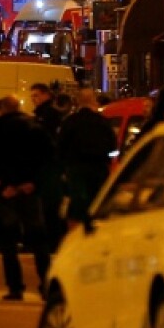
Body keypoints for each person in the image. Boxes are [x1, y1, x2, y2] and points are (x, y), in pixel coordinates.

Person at [0, 96, 54, 300]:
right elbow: (48, 158)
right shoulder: (35, 127)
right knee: (38, 240)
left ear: (1, 109)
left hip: (5, 191)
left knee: (8, 241)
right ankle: (47, 283)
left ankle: (15, 286)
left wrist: (0, 184)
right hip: (29, 189)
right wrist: (33, 182)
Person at [56, 88, 115, 227]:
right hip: (99, 168)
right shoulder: (103, 122)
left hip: (76, 169)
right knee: (97, 203)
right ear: (93, 100)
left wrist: (63, 168)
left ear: (78, 102)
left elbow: (60, 146)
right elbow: (112, 146)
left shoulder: (69, 122)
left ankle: (77, 232)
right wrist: (108, 160)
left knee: (77, 204)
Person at [29, 82, 66, 246]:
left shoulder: (49, 114)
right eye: (32, 96)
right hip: (45, 165)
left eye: (36, 95)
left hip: (48, 166)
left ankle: (50, 240)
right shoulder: (42, 113)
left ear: (46, 95)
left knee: (49, 205)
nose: (34, 99)